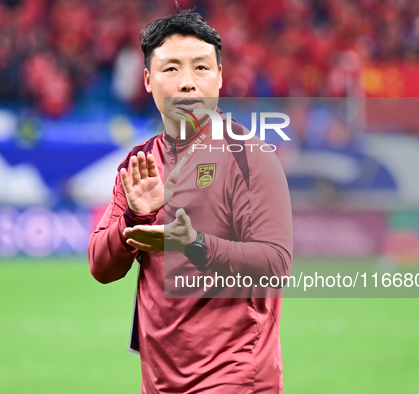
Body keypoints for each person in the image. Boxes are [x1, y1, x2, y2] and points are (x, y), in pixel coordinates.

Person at [88, 10, 293, 394]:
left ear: (219, 76)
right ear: (148, 80)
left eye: (200, 68)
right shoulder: (140, 164)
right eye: (171, 70)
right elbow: (101, 265)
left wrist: (194, 245)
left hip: (235, 379)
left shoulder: (251, 159)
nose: (187, 83)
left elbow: (275, 264)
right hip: (160, 381)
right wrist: (135, 216)